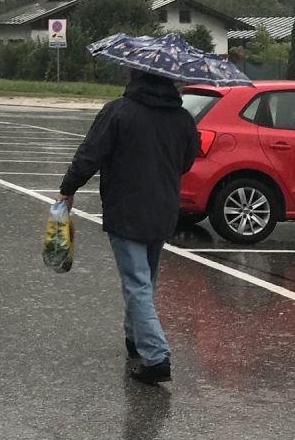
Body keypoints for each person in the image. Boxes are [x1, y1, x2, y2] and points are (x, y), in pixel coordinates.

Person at [59, 70, 199, 384]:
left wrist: (68, 188)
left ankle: (156, 355)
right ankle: (135, 339)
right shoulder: (182, 118)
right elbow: (187, 161)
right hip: (163, 210)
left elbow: (89, 155)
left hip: (126, 210)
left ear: (136, 76)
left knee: (137, 283)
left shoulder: (119, 112)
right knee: (144, 279)